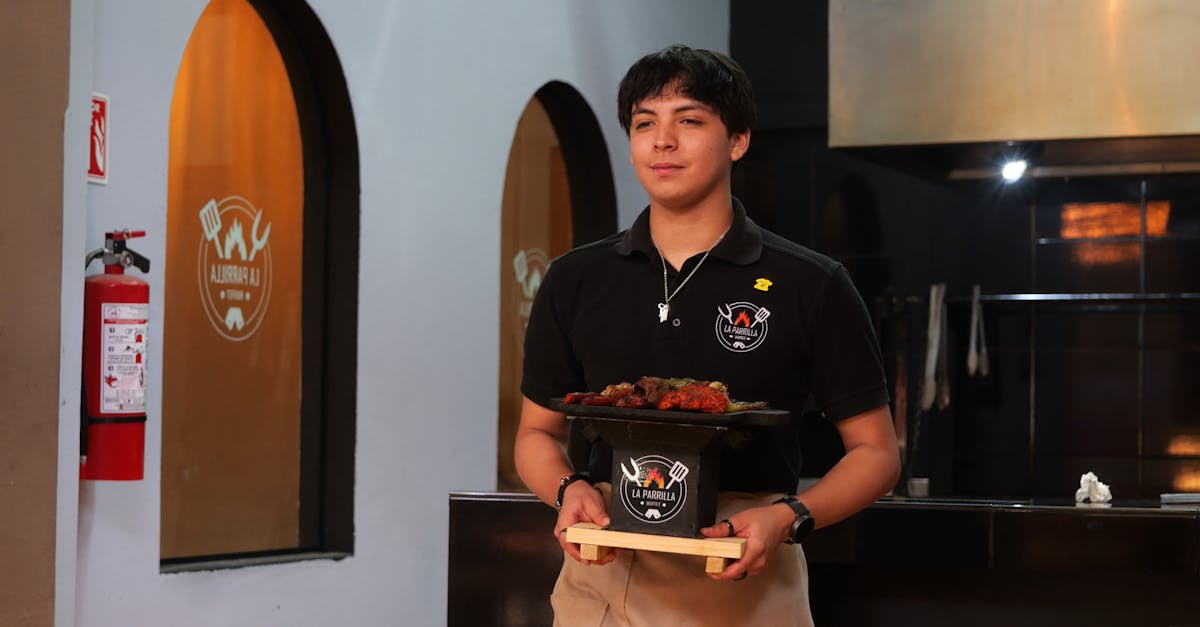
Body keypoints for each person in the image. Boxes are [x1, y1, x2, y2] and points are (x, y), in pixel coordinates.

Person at [515, 44, 900, 626]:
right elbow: (535, 434)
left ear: (737, 140)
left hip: (746, 582)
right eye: (645, 124)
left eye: (688, 121)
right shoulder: (575, 278)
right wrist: (569, 489)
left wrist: (788, 515)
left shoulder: (811, 284)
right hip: (603, 578)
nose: (662, 141)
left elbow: (876, 453)